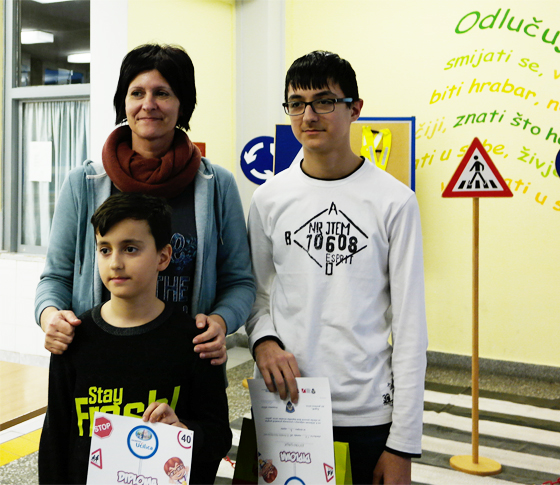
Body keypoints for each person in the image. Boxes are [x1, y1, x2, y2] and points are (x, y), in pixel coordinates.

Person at [245, 51, 427, 484]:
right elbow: (255, 294)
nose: (308, 115)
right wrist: (263, 341)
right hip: (285, 404)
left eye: (324, 101)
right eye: (297, 103)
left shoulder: (395, 201)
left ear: (355, 109)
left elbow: (410, 328)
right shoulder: (268, 198)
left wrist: (402, 444)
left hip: (366, 412)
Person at [35, 44, 255, 365]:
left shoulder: (217, 185)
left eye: (162, 93)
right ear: (123, 102)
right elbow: (55, 277)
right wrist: (50, 316)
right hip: (99, 361)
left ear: (183, 104)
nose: (148, 105)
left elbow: (239, 281)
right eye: (137, 93)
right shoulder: (83, 183)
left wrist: (221, 321)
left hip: (187, 361)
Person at [38, 193, 232, 484]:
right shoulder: (74, 339)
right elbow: (55, 440)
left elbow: (219, 436)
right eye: (105, 250)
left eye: (130, 249)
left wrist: (183, 433)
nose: (115, 263)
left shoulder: (194, 342)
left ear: (163, 257)